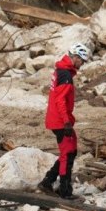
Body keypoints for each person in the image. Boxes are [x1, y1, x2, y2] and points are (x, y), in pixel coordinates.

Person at [38, 43, 91, 199]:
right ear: (75, 57)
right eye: (82, 60)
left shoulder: (60, 71)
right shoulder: (65, 75)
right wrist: (67, 122)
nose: (82, 64)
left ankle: (48, 181)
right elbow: (60, 100)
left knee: (70, 151)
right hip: (60, 120)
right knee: (68, 154)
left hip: (57, 119)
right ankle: (64, 191)